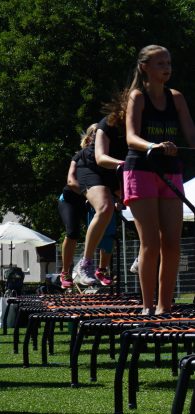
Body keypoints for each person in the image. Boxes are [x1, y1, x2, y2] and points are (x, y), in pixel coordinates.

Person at [122, 45, 195, 315]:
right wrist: (154, 145)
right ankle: (147, 307)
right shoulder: (137, 97)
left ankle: (165, 307)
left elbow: (192, 134)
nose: (166, 67)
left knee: (172, 243)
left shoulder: (176, 97)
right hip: (142, 169)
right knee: (150, 242)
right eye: (160, 62)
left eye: (169, 62)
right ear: (145, 68)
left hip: (171, 171)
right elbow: (131, 137)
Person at [74, 102, 130, 288]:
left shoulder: (143, 124)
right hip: (93, 168)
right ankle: (85, 263)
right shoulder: (109, 123)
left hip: (115, 170)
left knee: (144, 204)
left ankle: (143, 255)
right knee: (105, 208)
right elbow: (101, 158)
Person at [56, 125, 95, 289]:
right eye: (95, 134)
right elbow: (71, 182)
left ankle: (98, 269)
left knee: (104, 230)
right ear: (88, 139)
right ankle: (65, 272)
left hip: (88, 200)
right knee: (73, 232)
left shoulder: (101, 158)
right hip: (70, 200)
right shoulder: (78, 157)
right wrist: (90, 193)